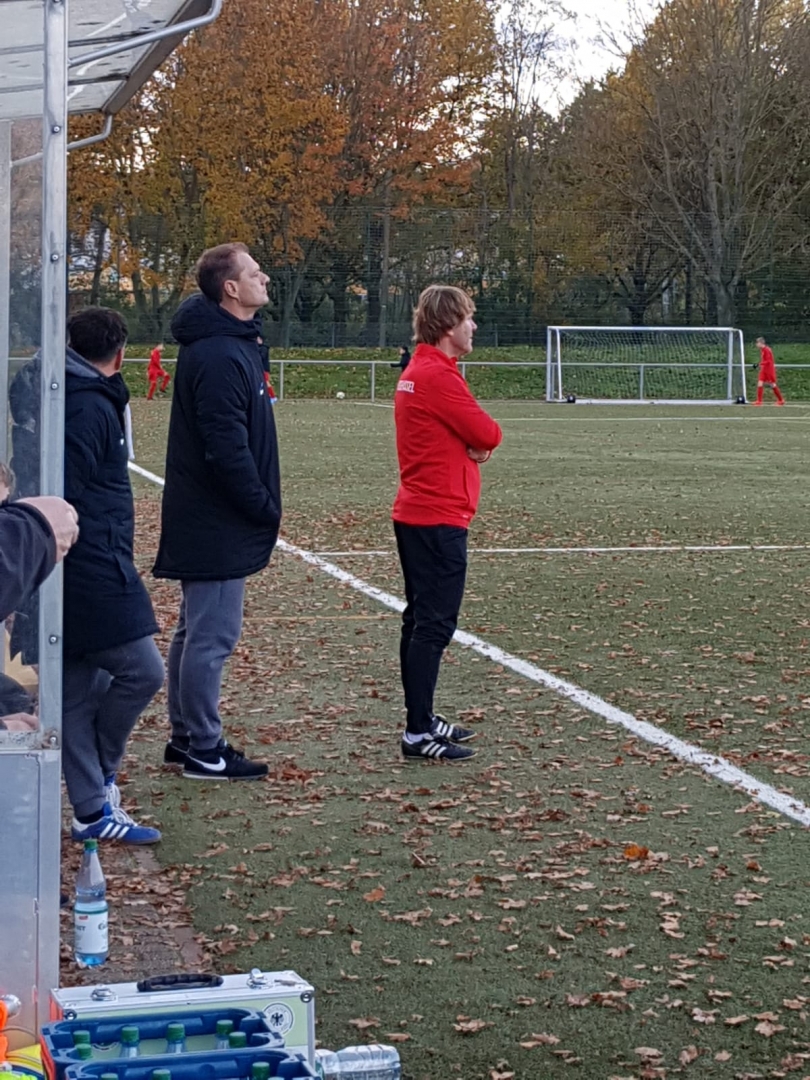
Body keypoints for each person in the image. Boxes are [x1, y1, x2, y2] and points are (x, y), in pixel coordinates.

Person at [154, 242, 281, 781]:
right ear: (230, 288)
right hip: (216, 519)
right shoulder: (219, 354)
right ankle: (204, 748)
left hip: (211, 517)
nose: (264, 278)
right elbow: (224, 446)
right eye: (254, 273)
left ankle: (186, 738)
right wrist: (259, 504)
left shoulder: (232, 345)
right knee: (211, 637)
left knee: (194, 631)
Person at [59, 307, 165, 844]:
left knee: (78, 685)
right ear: (120, 354)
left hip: (85, 554)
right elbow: (67, 486)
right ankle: (100, 776)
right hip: (88, 561)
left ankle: (91, 808)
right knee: (142, 670)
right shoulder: (88, 406)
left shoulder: (84, 397)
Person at [392, 285, 502, 763]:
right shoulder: (436, 375)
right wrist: (477, 446)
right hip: (437, 516)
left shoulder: (422, 371)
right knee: (432, 626)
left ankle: (422, 717)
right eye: (467, 318)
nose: (473, 326)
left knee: (419, 621)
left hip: (419, 513)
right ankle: (418, 732)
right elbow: (487, 432)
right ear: (447, 325)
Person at [753, 337, 785, 406]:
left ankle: (781, 400)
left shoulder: (767, 350)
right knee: (760, 383)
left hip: (769, 370)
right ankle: (759, 401)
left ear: (761, 343)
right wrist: (761, 365)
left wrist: (759, 364)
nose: (756, 344)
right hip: (764, 369)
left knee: (772, 385)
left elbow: (768, 361)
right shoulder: (763, 350)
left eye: (757, 343)